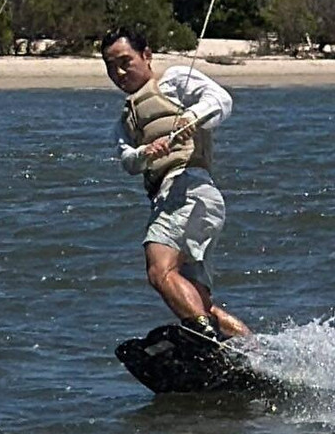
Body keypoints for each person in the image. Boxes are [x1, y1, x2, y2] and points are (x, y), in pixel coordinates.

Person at [101, 27, 252, 342]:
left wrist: (191, 117)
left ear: (146, 55)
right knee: (198, 300)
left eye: (125, 61)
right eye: (110, 66)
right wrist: (146, 152)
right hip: (173, 199)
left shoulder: (174, 81)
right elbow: (129, 162)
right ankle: (254, 352)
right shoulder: (124, 121)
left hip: (190, 189)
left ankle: (202, 336)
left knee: (159, 269)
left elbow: (221, 100)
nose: (118, 72)